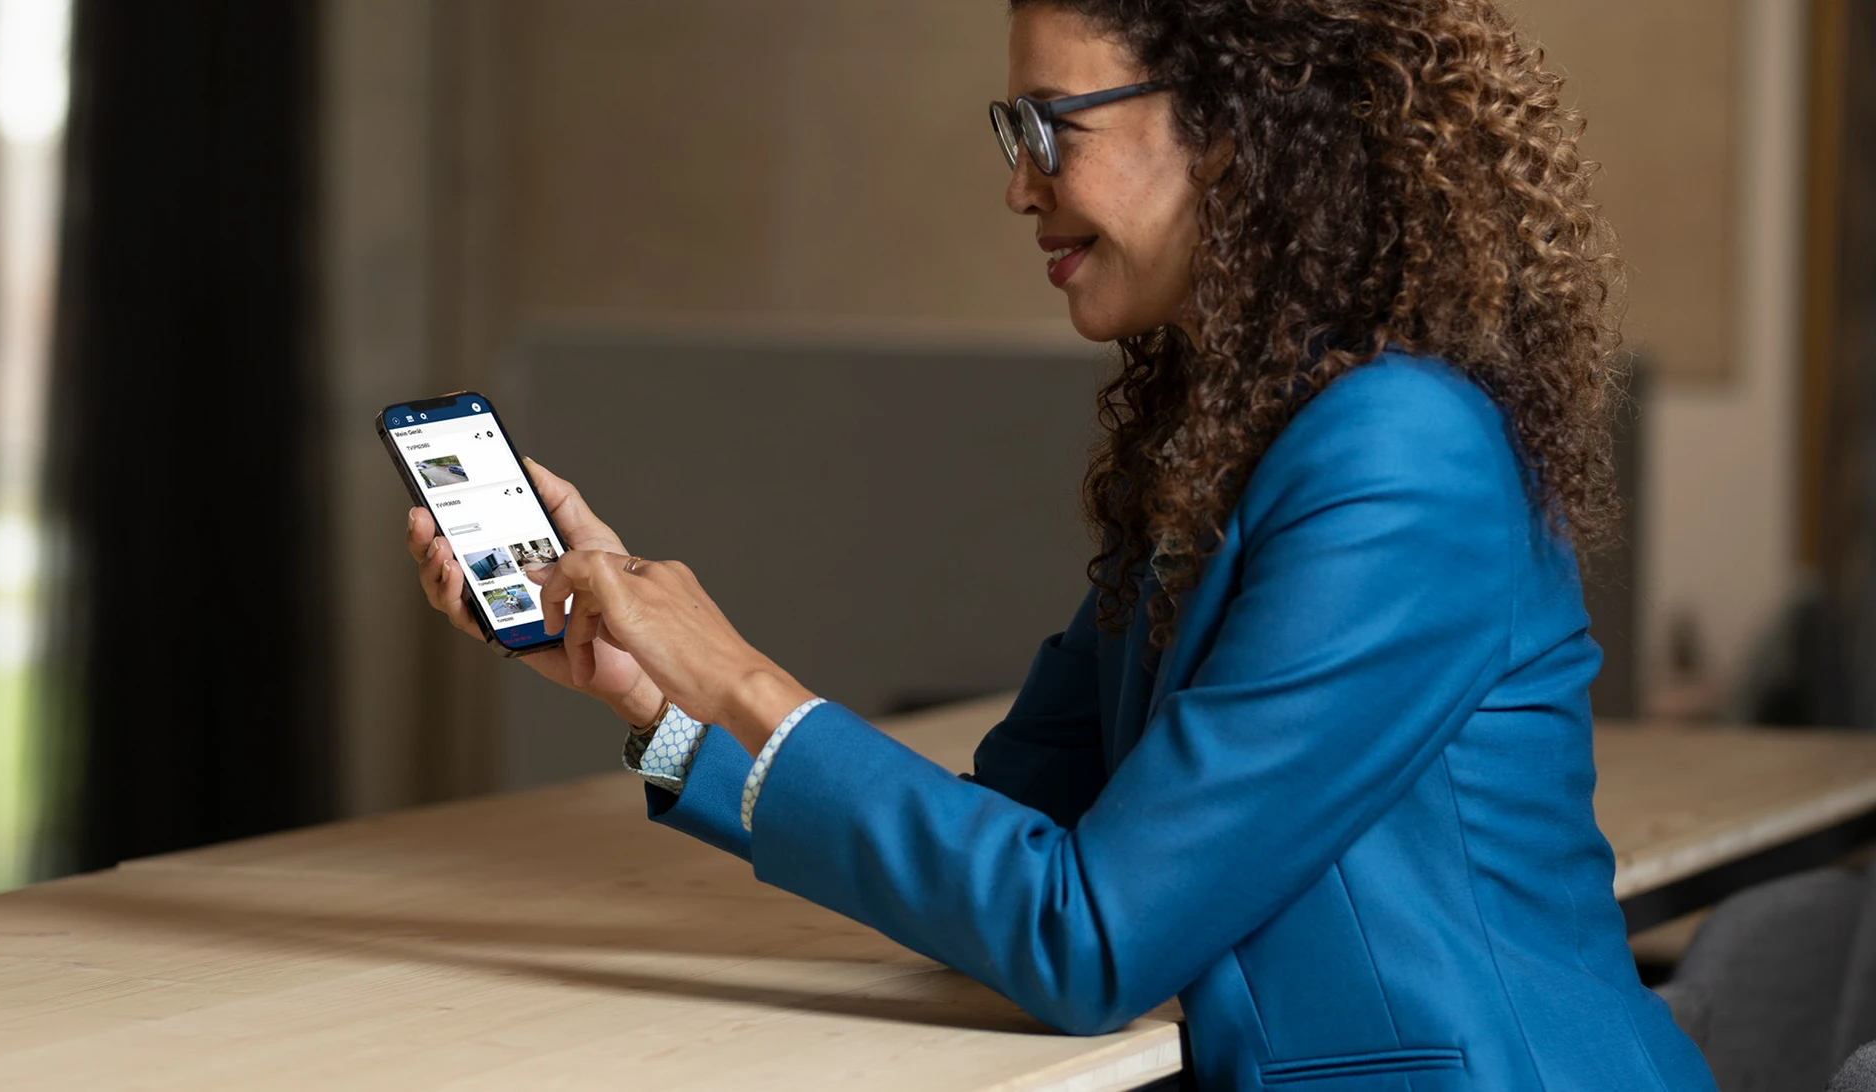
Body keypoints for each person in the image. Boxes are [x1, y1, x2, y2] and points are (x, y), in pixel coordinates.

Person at [406, 2, 1717, 1087]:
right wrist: (659, 704)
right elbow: (1020, 847)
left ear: (1234, 133)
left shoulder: (1401, 459)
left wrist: (737, 674)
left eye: (1049, 126)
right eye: (1008, 128)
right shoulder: (1235, 437)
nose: (1018, 184)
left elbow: (1087, 940)